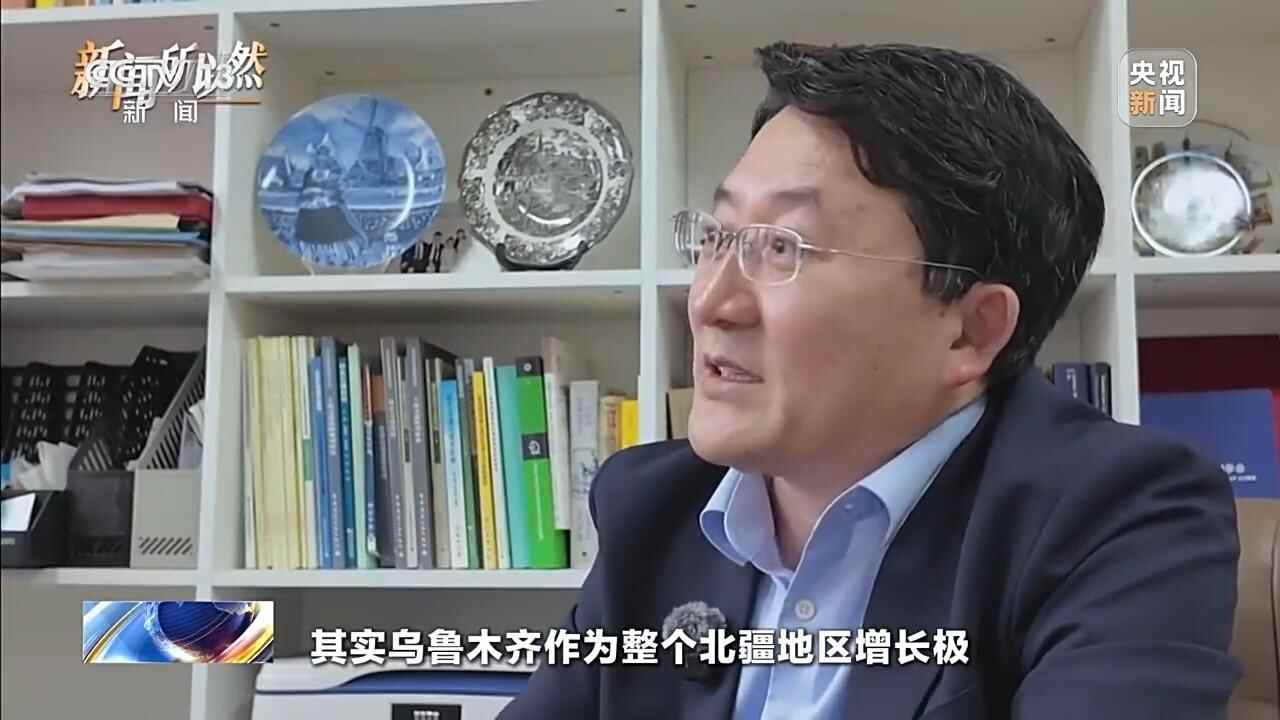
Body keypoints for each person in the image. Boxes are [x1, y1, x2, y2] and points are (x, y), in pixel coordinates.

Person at [497, 41, 1241, 719]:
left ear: (970, 329)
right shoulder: (652, 506)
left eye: (784, 248)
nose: (711, 303)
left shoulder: (1122, 515)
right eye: (718, 237)